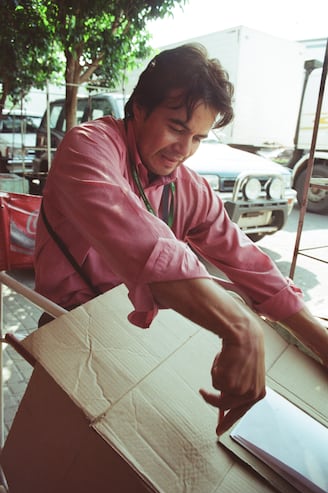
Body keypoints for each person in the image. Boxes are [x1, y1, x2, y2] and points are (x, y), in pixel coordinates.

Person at [34, 43, 328, 436]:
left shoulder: (187, 187)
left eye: (198, 138)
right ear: (139, 108)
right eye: (176, 127)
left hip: (130, 343)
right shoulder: (88, 148)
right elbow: (149, 245)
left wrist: (321, 343)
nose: (184, 151)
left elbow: (249, 263)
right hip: (67, 335)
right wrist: (240, 325)